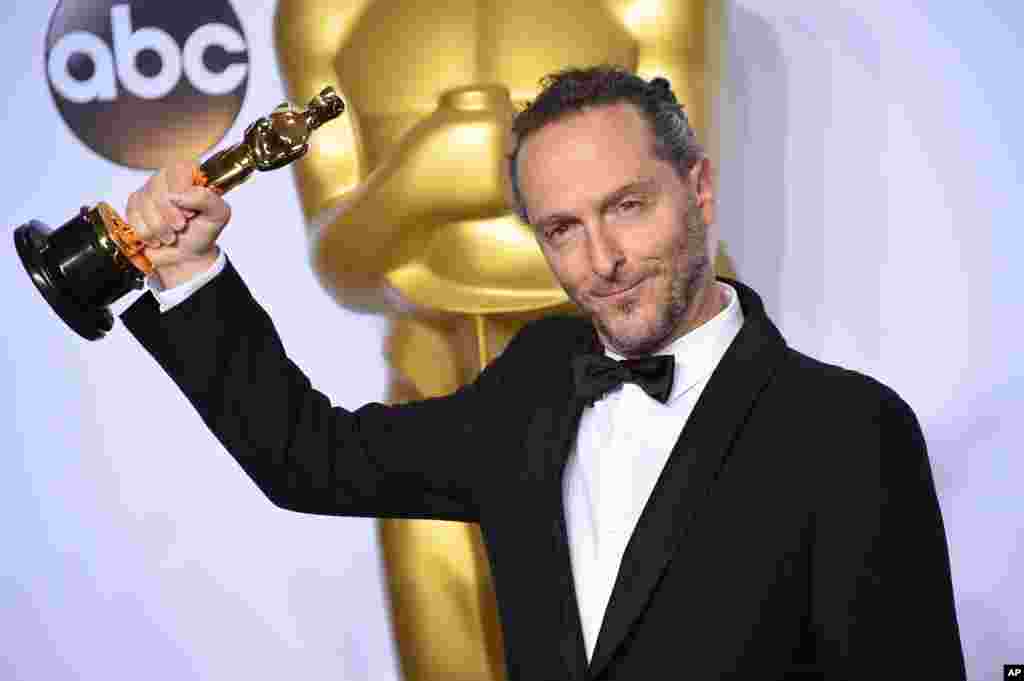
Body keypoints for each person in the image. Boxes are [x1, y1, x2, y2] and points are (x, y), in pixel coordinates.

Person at [122, 66, 965, 679]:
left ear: (699, 190)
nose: (603, 260)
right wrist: (193, 273)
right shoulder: (535, 379)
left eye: (628, 206)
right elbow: (312, 457)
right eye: (561, 228)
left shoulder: (850, 430)